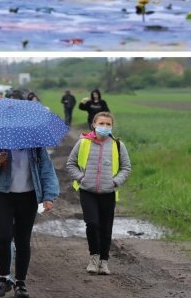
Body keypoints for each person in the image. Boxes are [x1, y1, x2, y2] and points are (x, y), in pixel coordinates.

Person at [0, 143, 60, 297]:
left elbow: (47, 170)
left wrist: (49, 195)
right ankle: (4, 279)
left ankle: (20, 283)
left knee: (22, 240)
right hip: (2, 195)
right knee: (3, 236)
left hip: (28, 197)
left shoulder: (37, 147)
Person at [66, 112, 131, 276]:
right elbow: (71, 164)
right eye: (101, 123)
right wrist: (82, 178)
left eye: (108, 124)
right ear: (94, 124)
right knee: (92, 223)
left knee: (106, 227)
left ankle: (104, 262)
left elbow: (126, 168)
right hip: (87, 191)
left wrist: (115, 181)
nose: (105, 127)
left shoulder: (117, 145)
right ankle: (93, 257)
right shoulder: (83, 143)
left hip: (108, 192)